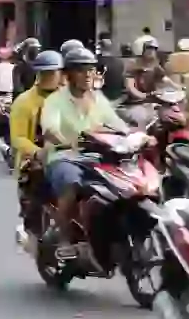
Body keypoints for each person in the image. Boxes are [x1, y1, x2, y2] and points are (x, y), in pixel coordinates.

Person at [40, 47, 128, 257]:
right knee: (71, 184)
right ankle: (64, 239)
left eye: (91, 69)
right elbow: (50, 129)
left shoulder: (99, 99)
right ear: (68, 74)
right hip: (65, 157)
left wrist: (137, 135)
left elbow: (118, 125)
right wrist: (64, 142)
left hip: (96, 157)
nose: (88, 74)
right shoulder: (55, 100)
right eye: (81, 70)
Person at [8, 50, 64, 178]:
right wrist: (38, 153)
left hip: (64, 160)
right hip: (32, 165)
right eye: (44, 72)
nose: (48, 76)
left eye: (52, 72)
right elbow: (18, 138)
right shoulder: (23, 102)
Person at [123, 38, 167, 126]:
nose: (151, 52)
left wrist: (178, 88)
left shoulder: (156, 66)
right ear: (143, 51)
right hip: (136, 103)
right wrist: (147, 95)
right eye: (148, 49)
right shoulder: (133, 65)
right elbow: (130, 88)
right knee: (141, 118)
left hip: (153, 102)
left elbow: (164, 80)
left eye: (153, 49)